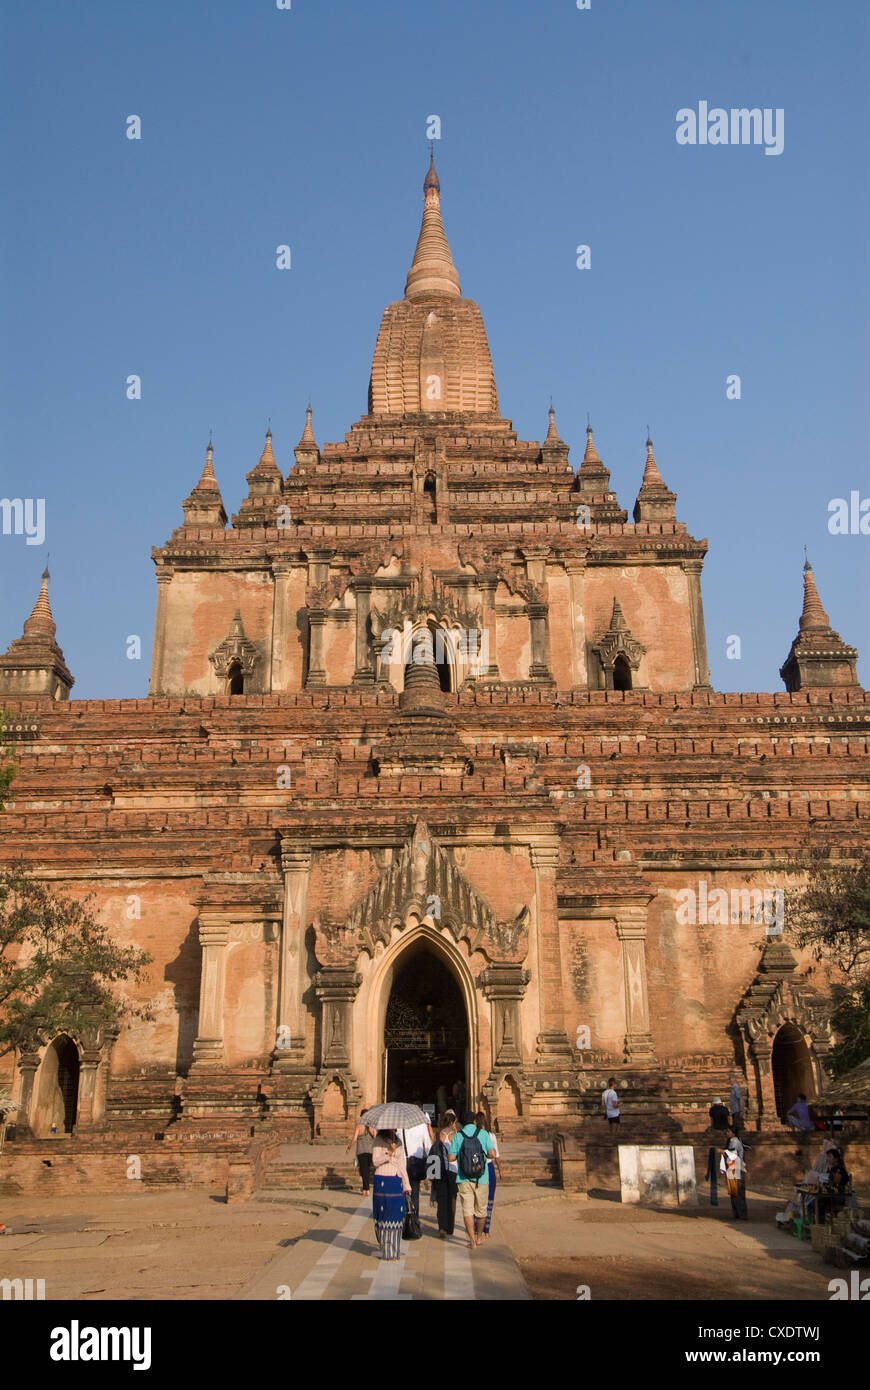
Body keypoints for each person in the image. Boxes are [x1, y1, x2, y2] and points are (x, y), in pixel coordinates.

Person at [449, 1111, 494, 1250]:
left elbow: (450, 1157)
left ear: (461, 1123)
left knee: (467, 1210)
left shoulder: (458, 1136)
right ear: (475, 1121)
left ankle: (472, 1241)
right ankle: (479, 1236)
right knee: (481, 1210)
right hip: (482, 1177)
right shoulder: (483, 1134)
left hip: (464, 1177)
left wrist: (461, 1157)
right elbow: (492, 1153)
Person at [371, 1129, 412, 1261]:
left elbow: (402, 1165)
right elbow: (375, 1161)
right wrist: (388, 1153)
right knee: (383, 1217)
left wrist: (407, 1185)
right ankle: (386, 1250)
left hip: (395, 1181)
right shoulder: (378, 1141)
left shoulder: (398, 1142)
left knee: (396, 1217)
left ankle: (395, 1250)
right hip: (382, 1181)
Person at [398, 1115, 433, 1217]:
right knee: (414, 1192)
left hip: (401, 1163)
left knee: (403, 1191)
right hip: (416, 1164)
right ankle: (413, 1219)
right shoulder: (421, 1125)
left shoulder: (400, 1126)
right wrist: (432, 1168)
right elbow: (428, 1147)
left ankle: (403, 1218)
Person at [431, 1110, 458, 1239]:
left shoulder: (438, 1135)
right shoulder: (456, 1135)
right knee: (452, 1199)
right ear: (452, 1122)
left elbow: (433, 1153)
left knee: (441, 1199)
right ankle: (450, 1227)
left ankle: (442, 1227)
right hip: (453, 1170)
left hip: (440, 1170)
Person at [476, 1111, 502, 1239]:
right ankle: (486, 1229)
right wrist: (500, 1170)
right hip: (489, 1167)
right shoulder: (490, 1135)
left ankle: (477, 1226)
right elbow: (495, 1154)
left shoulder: (473, 1135)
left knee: (478, 1199)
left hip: (477, 1169)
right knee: (489, 1199)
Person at [346, 1108, 376, 1195]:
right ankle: (367, 1189)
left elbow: (354, 1139)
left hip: (361, 1151)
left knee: (363, 1170)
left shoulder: (359, 1126)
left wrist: (349, 1147)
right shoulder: (372, 1126)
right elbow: (375, 1137)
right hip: (370, 1151)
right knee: (368, 1169)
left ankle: (365, 1189)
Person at [720, 1136, 748, 1219]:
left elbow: (732, 1154)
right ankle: (737, 1214)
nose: (726, 1133)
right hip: (733, 1168)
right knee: (734, 1193)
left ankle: (741, 1214)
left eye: (728, 1131)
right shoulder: (732, 1141)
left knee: (738, 1193)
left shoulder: (734, 1140)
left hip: (736, 1169)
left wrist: (721, 1151)